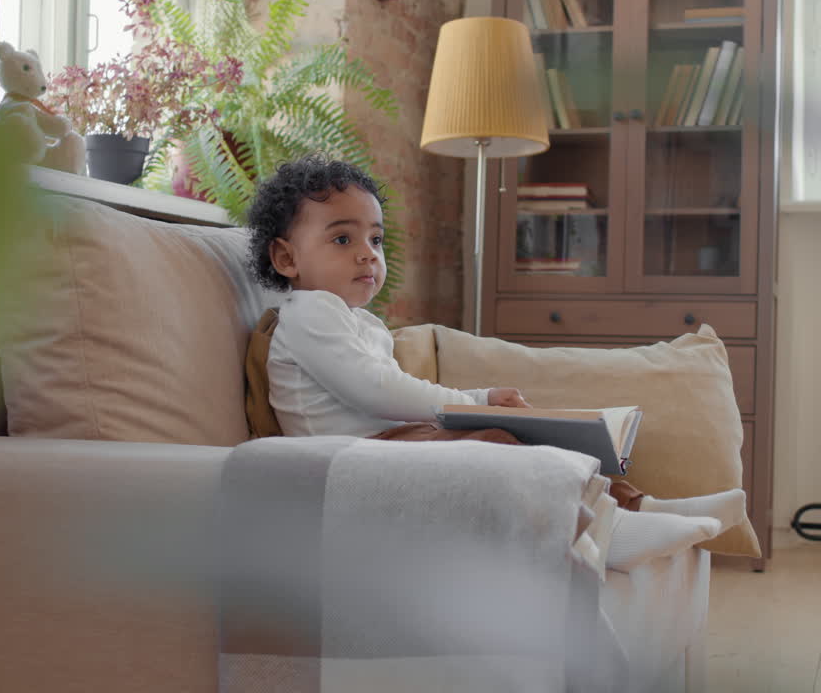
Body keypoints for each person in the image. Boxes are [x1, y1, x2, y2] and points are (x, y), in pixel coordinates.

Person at [246, 154, 744, 570]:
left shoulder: (362, 323)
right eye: (342, 239)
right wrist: (472, 406)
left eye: (375, 240)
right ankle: (609, 537)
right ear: (287, 259)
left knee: (545, 441)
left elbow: (390, 387)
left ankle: (641, 508)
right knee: (497, 446)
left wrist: (483, 399)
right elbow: (375, 390)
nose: (367, 255)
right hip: (351, 462)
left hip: (388, 444)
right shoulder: (309, 312)